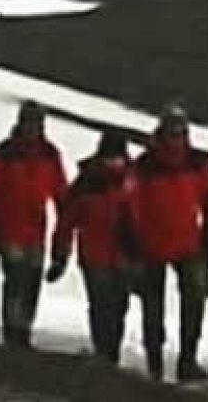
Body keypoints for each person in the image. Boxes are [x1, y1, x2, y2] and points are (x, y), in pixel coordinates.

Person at [128, 105, 208, 384]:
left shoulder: (195, 166)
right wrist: (133, 249)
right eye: (171, 134)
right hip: (151, 247)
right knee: (153, 308)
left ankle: (187, 360)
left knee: (193, 304)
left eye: (180, 134)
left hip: (187, 244)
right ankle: (155, 364)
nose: (176, 140)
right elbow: (130, 208)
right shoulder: (143, 167)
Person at [0, 100, 68, 349]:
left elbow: (61, 195)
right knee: (15, 278)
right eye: (29, 122)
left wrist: (62, 244)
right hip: (9, 228)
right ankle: (12, 332)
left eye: (37, 122)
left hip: (36, 230)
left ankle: (23, 329)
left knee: (31, 281)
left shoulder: (50, 155)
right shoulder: (4, 154)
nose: (33, 127)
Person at [47, 132, 138, 364]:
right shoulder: (88, 182)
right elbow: (67, 220)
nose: (113, 161)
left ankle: (109, 353)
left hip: (120, 254)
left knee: (117, 306)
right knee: (102, 305)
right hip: (96, 254)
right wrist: (59, 254)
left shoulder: (132, 180)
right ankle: (104, 352)